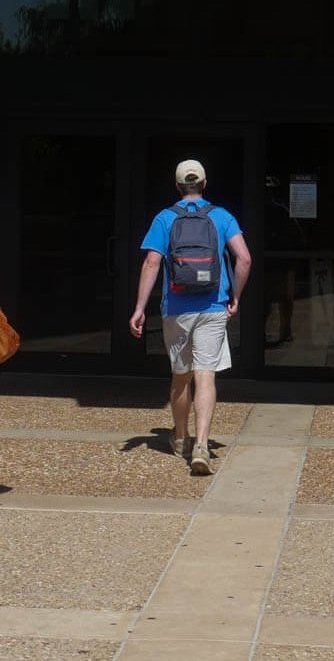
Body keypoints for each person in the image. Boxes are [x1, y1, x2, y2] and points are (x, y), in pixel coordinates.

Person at [128, 159, 251, 475]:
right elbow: (244, 259)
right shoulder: (221, 216)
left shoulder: (165, 218)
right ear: (205, 184)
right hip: (213, 307)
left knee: (181, 375)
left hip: (176, 308)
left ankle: (182, 438)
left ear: (177, 186)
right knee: (205, 375)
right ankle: (202, 445)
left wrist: (140, 307)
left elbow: (151, 263)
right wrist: (235, 297)